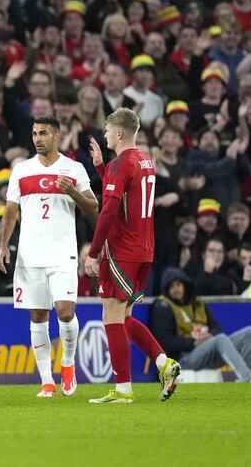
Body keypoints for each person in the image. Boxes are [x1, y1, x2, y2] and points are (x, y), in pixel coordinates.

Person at [0, 116, 98, 398]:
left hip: (62, 252)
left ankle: (67, 363)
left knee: (65, 311)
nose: (37, 138)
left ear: (57, 136)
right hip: (30, 255)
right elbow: (10, 210)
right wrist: (4, 245)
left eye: (43, 133)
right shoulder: (21, 170)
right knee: (38, 316)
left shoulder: (73, 168)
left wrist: (74, 192)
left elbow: (93, 207)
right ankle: (46, 381)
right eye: (34, 133)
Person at [85, 108, 180, 404]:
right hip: (144, 251)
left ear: (120, 134)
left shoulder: (121, 163)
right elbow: (125, 195)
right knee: (124, 316)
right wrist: (102, 168)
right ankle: (164, 363)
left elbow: (110, 209)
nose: (104, 136)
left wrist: (93, 252)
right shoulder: (145, 161)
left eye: (107, 131)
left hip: (122, 251)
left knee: (110, 315)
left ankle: (123, 390)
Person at [151, 267, 251, 383]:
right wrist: (193, 342)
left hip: (207, 351)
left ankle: (247, 379)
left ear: (185, 285)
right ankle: (247, 377)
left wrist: (210, 335)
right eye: (171, 287)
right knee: (220, 339)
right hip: (184, 357)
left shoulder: (197, 303)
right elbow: (164, 341)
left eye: (178, 284)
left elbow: (216, 327)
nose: (175, 289)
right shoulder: (163, 306)